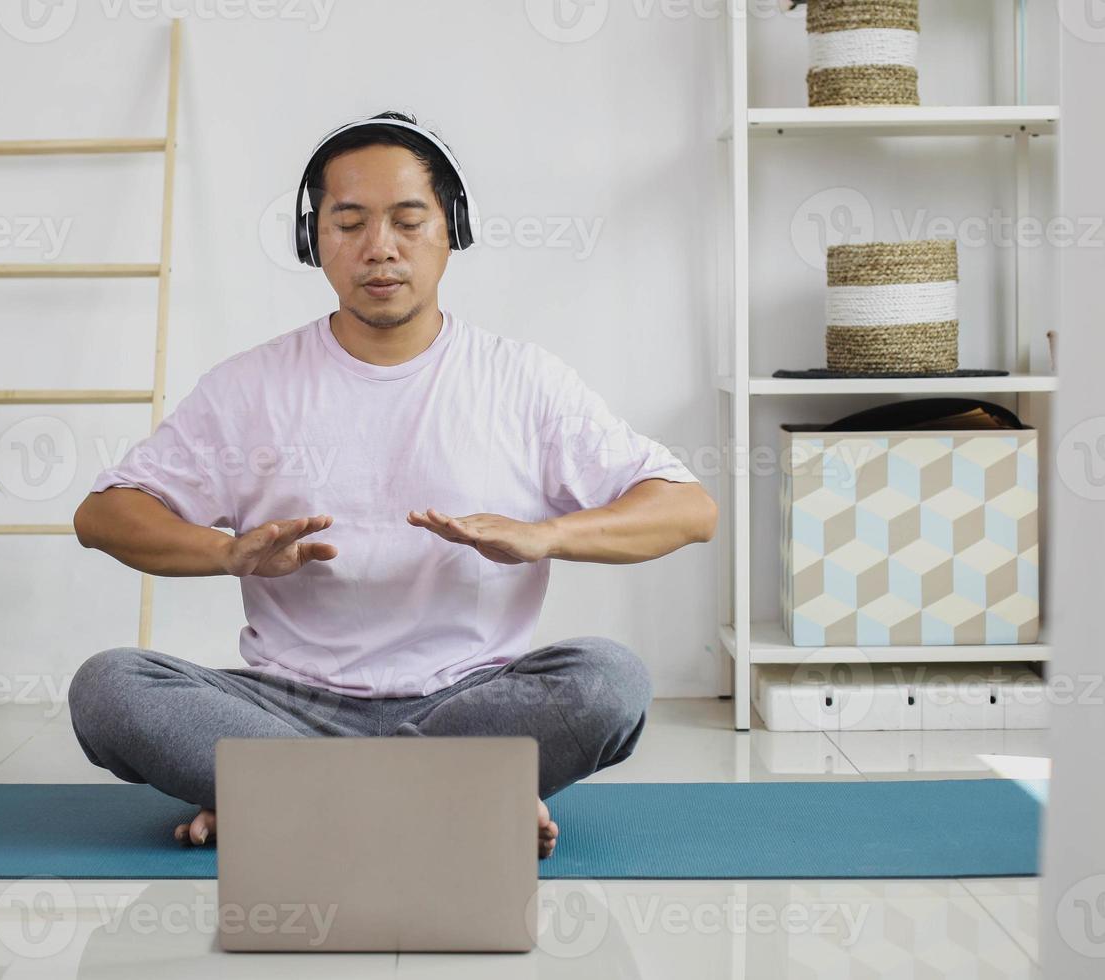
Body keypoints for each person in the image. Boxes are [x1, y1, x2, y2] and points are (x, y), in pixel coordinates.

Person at [69, 110, 718, 859]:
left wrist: (547, 535)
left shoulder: (522, 380)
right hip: (285, 707)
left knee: (609, 680)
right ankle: (453, 796)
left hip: (470, 702)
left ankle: (281, 798)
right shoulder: (250, 387)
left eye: (408, 221)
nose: (379, 248)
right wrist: (226, 552)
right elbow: (104, 515)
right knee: (109, 686)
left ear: (453, 230)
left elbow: (688, 508)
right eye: (349, 223)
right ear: (313, 240)